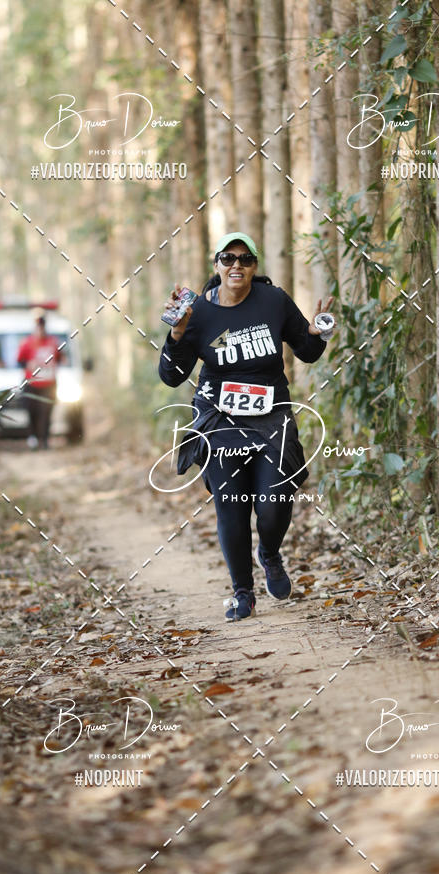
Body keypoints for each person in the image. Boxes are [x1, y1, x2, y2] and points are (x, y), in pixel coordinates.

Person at [159, 232, 335, 622]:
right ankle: (243, 592)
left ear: (255, 266)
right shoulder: (197, 313)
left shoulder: (273, 300)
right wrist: (176, 334)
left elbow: (306, 352)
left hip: (271, 415)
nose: (236, 265)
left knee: (273, 505)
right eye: (228, 258)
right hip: (219, 418)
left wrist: (319, 333)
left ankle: (269, 554)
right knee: (232, 506)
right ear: (216, 264)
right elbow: (171, 377)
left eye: (245, 258)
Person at [17, 314, 62, 450]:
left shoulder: (53, 342)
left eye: (42, 327)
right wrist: (28, 364)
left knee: (46, 412)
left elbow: (59, 358)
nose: (40, 330)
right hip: (31, 383)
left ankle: (45, 439)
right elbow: (19, 361)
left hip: (49, 383)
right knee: (32, 411)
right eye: (38, 327)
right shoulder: (27, 343)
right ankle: (33, 437)